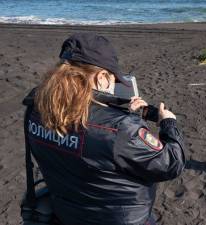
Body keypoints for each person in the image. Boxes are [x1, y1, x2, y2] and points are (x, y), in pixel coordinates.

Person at [22, 32, 186, 225]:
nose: (112, 86)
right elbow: (171, 164)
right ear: (101, 78)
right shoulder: (120, 130)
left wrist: (130, 117)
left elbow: (89, 144)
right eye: (113, 80)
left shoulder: (36, 109)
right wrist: (168, 123)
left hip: (68, 214)